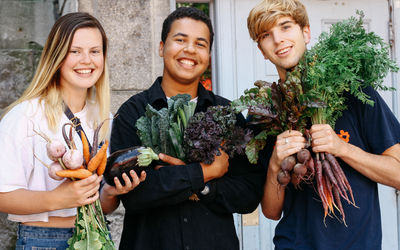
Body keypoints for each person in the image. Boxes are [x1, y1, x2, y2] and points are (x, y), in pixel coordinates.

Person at [108, 7, 266, 250]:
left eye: (200, 44)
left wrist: (202, 188)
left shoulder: (226, 113)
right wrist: (203, 173)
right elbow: (134, 195)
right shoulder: (133, 112)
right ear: (162, 47)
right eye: (180, 40)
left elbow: (248, 195)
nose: (190, 50)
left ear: (209, 55)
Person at [247, 0, 400, 249]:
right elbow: (271, 212)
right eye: (266, 35)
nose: (278, 40)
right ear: (262, 49)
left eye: (286, 27)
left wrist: (342, 148)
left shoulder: (355, 92)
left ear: (305, 32)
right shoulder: (264, 113)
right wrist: (276, 163)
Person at [0, 12, 143, 249]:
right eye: (74, 51)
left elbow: (102, 206)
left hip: (97, 237)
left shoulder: (104, 118)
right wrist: (58, 199)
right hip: (43, 242)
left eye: (95, 51)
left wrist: (110, 194)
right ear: (56, 57)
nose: (86, 60)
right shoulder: (26, 115)